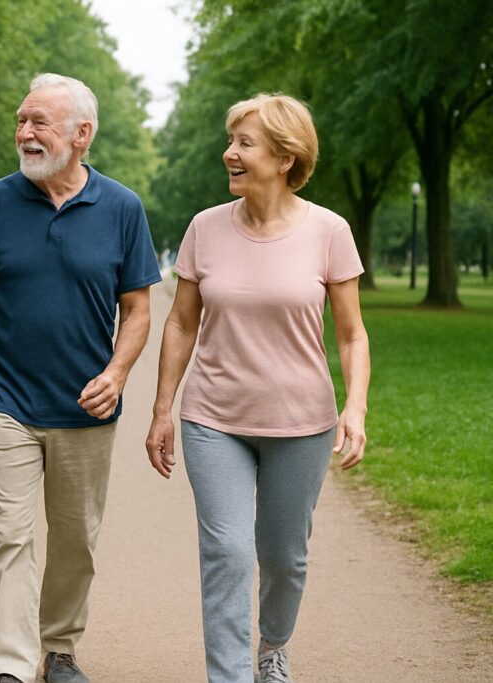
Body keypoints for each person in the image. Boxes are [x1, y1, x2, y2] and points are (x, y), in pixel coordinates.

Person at [144, 93, 371, 683]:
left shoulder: (329, 230)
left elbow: (351, 335)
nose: (230, 153)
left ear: (285, 156)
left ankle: (273, 647)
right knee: (228, 553)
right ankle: (230, 676)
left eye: (245, 144)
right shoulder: (205, 228)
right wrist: (163, 409)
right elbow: (182, 322)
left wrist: (356, 407)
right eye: (232, 141)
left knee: (284, 557)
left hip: (302, 423)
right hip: (213, 417)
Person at [0, 73, 161, 683]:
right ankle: (8, 666)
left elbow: (139, 309)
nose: (24, 133)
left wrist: (117, 373)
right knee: (10, 536)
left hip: (86, 405)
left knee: (76, 540)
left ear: (81, 134)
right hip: (6, 400)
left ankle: (61, 649)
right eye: (22, 120)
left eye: (39, 122)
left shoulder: (121, 207)